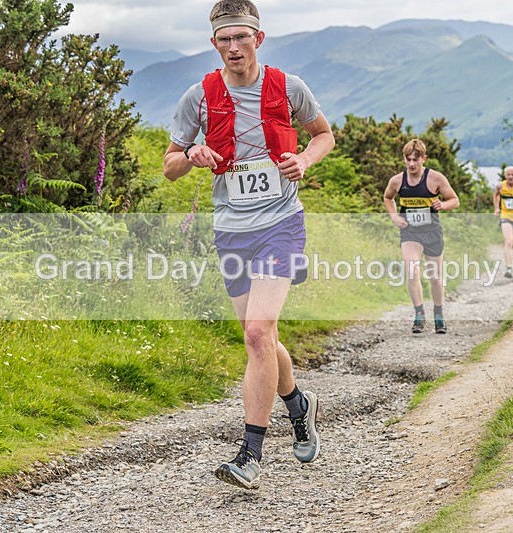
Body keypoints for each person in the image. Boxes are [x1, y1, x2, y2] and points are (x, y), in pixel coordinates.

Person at [163, 0, 335, 490]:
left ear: (259, 39)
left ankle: (250, 454)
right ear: (213, 42)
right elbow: (169, 164)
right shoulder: (198, 97)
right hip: (232, 230)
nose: (233, 47)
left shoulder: (288, 87)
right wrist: (191, 155)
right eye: (224, 39)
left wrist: (306, 159)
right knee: (260, 337)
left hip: (281, 222)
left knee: (259, 333)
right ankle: (299, 403)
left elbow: (324, 136)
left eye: (242, 37)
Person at [383, 139, 460, 334]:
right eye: (408, 159)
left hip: (432, 233)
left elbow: (454, 200)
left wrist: (443, 205)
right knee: (412, 270)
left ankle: (438, 313)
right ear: (404, 159)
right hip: (410, 233)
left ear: (423, 159)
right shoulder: (397, 180)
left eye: (415, 160)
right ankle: (419, 313)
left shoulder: (435, 179)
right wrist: (394, 216)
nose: (411, 164)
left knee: (435, 277)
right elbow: (388, 197)